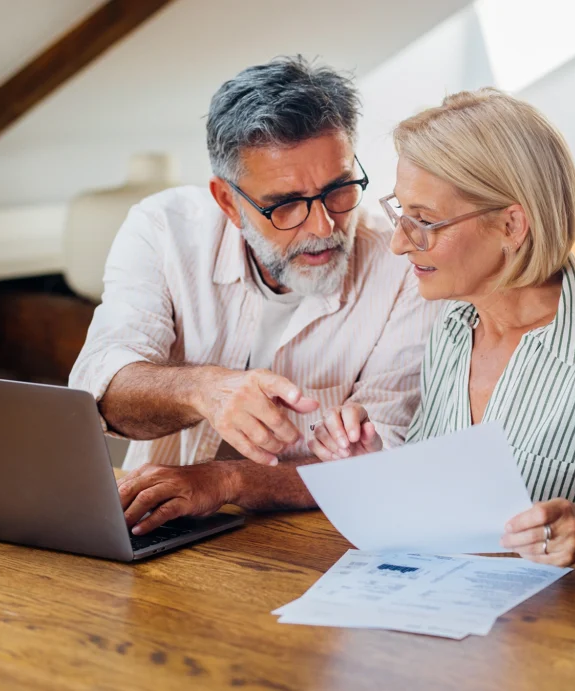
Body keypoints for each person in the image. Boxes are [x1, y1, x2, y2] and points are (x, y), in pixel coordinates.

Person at [309, 89, 575, 568]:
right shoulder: (452, 328)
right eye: (401, 214)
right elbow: (444, 512)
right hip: (459, 624)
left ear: (512, 226)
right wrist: (371, 466)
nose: (398, 244)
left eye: (424, 221)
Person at [70, 57, 439, 535]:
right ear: (228, 201)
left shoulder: (404, 265)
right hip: (158, 535)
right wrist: (205, 390)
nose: (324, 227)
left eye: (340, 190)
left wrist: (227, 480)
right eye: (286, 205)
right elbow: (100, 389)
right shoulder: (163, 230)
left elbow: (384, 457)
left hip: (322, 542)